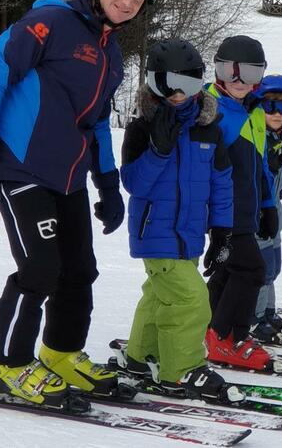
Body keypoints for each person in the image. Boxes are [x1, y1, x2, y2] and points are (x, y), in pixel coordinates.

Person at [0, 0, 162, 406]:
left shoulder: (111, 53)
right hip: (20, 167)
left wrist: (107, 184)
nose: (127, 2)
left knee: (80, 270)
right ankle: (9, 364)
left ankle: (61, 353)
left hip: (68, 178)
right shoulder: (49, 22)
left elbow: (96, 123)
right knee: (40, 269)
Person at [118, 40, 241, 403]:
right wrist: (158, 149)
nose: (177, 94)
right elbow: (134, 184)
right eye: (167, 84)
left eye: (187, 85)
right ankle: (181, 370)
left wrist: (222, 233)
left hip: (190, 235)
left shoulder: (209, 129)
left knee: (160, 297)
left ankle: (141, 358)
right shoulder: (141, 128)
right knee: (190, 300)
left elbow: (221, 183)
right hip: (154, 233)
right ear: (152, 82)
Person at [203, 35, 278, 371]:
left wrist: (268, 205)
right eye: (229, 71)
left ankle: (208, 331)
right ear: (217, 71)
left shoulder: (255, 111)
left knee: (229, 271)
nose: (239, 81)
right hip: (222, 209)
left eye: (249, 73)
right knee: (251, 270)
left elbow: (259, 163)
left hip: (246, 208)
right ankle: (228, 336)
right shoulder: (210, 110)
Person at [248, 75, 282, 343]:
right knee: (262, 268)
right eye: (270, 106)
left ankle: (268, 312)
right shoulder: (256, 137)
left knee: (274, 267)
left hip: (274, 208)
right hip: (257, 209)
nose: (278, 113)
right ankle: (253, 319)